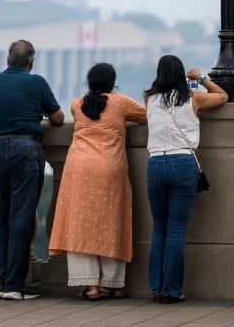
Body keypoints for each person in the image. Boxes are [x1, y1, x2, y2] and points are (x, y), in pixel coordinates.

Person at [48, 63, 146, 301]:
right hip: (110, 167)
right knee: (111, 221)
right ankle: (109, 285)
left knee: (80, 223)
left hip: (79, 167)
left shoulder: (76, 105)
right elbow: (146, 115)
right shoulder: (121, 102)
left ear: (89, 82)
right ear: (112, 83)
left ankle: (89, 286)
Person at [0, 39, 64, 300]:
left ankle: (1, 282)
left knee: (3, 217)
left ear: (7, 60)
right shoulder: (36, 82)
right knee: (21, 217)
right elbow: (58, 118)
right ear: (31, 62)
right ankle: (16, 286)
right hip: (26, 150)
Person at [144, 55, 228, 304]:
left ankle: (157, 289)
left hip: (155, 163)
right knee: (176, 229)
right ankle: (171, 290)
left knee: (159, 228)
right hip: (183, 163)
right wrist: (201, 78)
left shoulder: (149, 98)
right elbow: (223, 96)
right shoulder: (194, 98)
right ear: (181, 74)